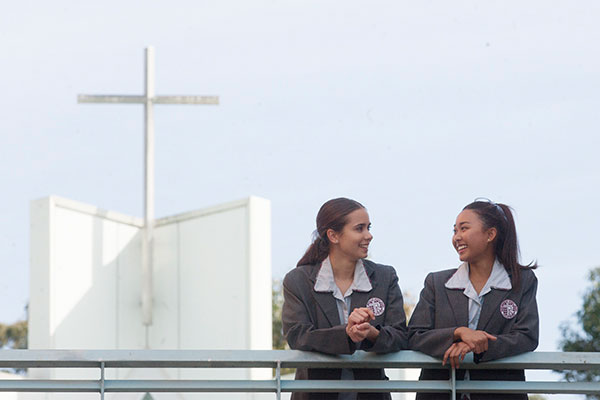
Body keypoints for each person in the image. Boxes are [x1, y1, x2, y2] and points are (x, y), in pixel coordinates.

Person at [408, 199, 539, 400]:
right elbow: (415, 335)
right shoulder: (437, 282)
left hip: (500, 395)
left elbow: (526, 337)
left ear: (490, 234)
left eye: (464, 228)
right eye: (454, 231)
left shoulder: (522, 281)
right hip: (439, 394)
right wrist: (458, 333)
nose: (457, 237)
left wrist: (478, 344)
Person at [282, 197, 408, 400]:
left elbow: (401, 335)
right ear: (333, 235)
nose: (369, 235)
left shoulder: (385, 277)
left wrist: (372, 334)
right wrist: (346, 335)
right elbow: (297, 336)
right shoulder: (298, 280)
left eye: (369, 227)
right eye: (360, 228)